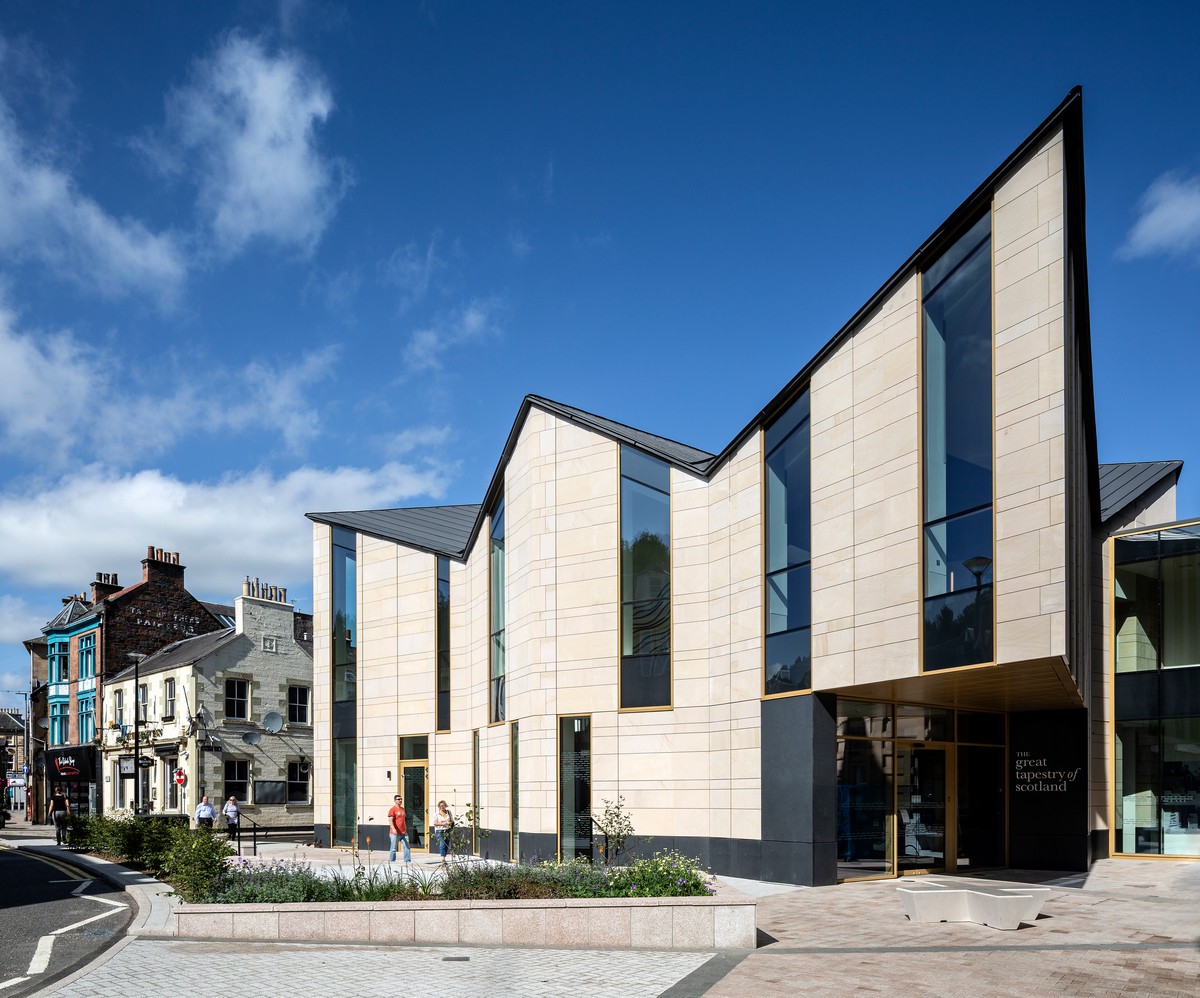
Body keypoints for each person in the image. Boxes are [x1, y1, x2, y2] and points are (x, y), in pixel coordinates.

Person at [388, 794, 411, 863]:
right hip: (395, 833)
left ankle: (407, 860)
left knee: (407, 847)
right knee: (393, 848)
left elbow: (403, 820)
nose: (400, 800)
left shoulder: (402, 809)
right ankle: (392, 860)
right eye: (398, 799)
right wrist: (393, 829)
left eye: (401, 799)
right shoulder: (392, 810)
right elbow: (390, 820)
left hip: (403, 832)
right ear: (395, 801)